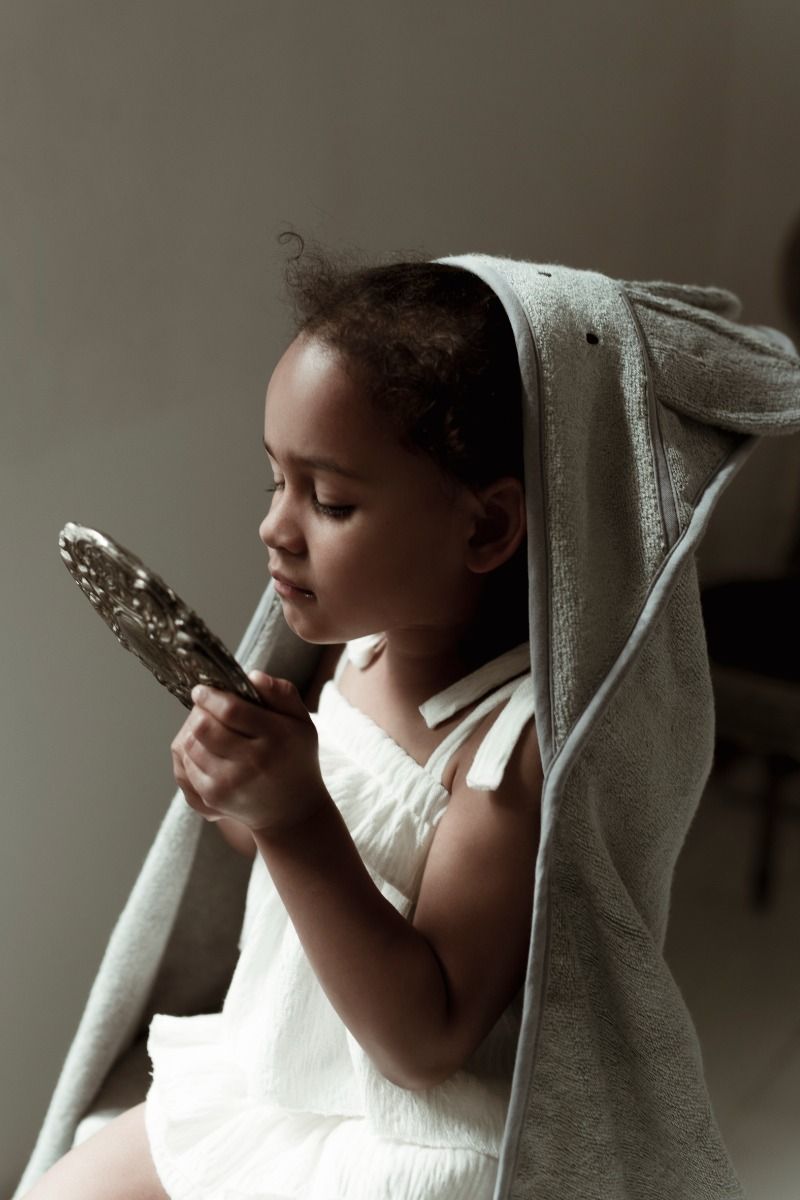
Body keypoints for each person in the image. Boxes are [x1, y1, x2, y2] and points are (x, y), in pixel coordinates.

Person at [22, 241, 543, 1200]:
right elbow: (290, 872)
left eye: (330, 500)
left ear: (484, 527)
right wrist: (241, 797)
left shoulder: (503, 757)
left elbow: (425, 1042)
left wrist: (296, 816)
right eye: (277, 481)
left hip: (390, 1138)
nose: (275, 526)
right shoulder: (361, 652)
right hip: (267, 1082)